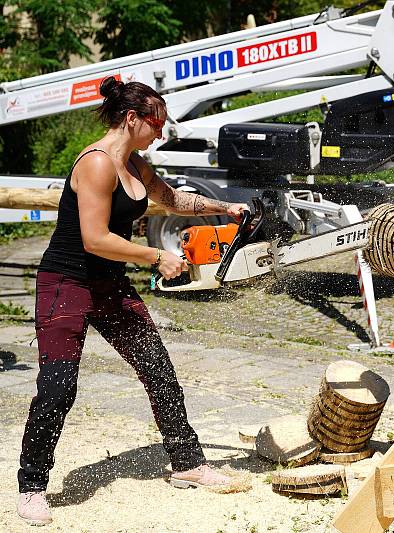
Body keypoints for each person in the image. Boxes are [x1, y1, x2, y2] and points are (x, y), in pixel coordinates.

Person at [16, 77, 249, 526]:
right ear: (132, 118)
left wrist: (225, 208)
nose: (160, 133)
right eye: (156, 124)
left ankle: (187, 463)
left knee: (158, 368)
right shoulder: (97, 164)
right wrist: (156, 255)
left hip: (108, 284)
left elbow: (172, 198)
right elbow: (95, 238)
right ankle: (32, 486)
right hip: (66, 282)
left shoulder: (136, 165)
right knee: (58, 388)